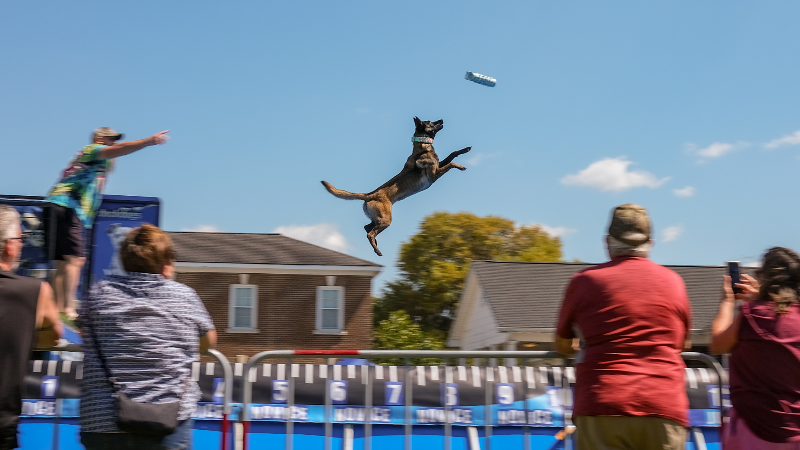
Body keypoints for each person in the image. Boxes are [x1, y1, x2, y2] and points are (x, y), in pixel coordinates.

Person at [554, 204, 692, 450]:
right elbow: (681, 343)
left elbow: (562, 344)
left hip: (603, 401)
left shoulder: (585, 281)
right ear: (651, 242)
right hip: (662, 403)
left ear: (607, 242)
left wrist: (579, 344)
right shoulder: (674, 282)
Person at [77, 224, 216, 450]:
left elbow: (84, 332)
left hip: (104, 418)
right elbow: (209, 340)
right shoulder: (183, 296)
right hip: (170, 417)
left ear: (124, 259)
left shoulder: (100, 293)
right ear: (166, 261)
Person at [45, 127, 170, 318]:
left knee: (62, 262)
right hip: (67, 205)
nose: (114, 144)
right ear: (100, 139)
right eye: (111, 140)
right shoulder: (92, 150)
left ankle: (57, 309)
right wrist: (148, 141)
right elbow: (120, 149)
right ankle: (68, 309)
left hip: (59, 205)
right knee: (75, 260)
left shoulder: (98, 165)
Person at [711, 247, 800, 449]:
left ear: (764, 276)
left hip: (753, 429)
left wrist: (727, 301)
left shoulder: (751, 315)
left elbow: (718, 343)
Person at [0, 205, 62, 450]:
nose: (22, 244)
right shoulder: (35, 292)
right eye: (20, 238)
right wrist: (23, 337)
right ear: (8, 245)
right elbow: (54, 338)